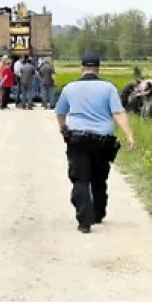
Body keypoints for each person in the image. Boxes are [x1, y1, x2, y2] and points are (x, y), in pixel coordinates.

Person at [55, 53, 135, 233]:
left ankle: (84, 222)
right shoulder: (108, 88)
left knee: (80, 180)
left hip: (78, 139)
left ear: (81, 68)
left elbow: (60, 112)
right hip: (103, 140)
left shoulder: (69, 88)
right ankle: (98, 213)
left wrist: (63, 127)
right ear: (98, 69)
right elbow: (118, 113)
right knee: (99, 178)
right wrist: (129, 135)